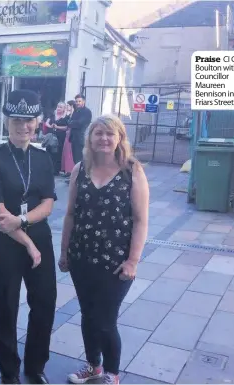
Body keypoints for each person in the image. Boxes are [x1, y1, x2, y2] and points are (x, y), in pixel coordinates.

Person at [59, 114, 150, 385]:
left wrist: (133, 261)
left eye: (110, 133)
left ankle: (112, 372)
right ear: (90, 138)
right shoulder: (79, 169)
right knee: (88, 315)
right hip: (82, 257)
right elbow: (70, 215)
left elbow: (141, 220)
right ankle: (93, 366)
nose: (104, 138)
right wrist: (64, 253)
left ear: (120, 138)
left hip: (116, 261)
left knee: (106, 319)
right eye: (98, 133)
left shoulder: (132, 171)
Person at [0, 89, 57, 385]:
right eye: (16, 120)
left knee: (45, 302)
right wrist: (27, 243)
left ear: (36, 122)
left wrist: (23, 221)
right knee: (7, 305)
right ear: (6, 122)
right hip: (7, 242)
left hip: (38, 234)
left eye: (28, 120)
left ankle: (36, 366)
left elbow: (48, 203)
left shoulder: (42, 158)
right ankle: (8, 371)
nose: (23, 126)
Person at [45, 102, 69, 174]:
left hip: (60, 137)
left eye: (61, 107)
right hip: (50, 137)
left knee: (58, 153)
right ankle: (48, 168)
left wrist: (57, 127)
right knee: (49, 152)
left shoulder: (66, 117)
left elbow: (67, 127)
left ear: (64, 109)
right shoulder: (52, 115)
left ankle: (56, 170)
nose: (59, 108)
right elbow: (46, 122)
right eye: (58, 106)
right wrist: (51, 126)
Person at [68, 94, 92, 164]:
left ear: (83, 101)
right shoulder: (76, 111)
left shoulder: (87, 112)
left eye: (79, 101)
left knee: (80, 160)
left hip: (81, 139)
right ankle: (77, 174)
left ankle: (81, 174)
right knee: (75, 159)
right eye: (76, 101)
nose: (77, 103)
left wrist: (72, 123)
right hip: (74, 138)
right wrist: (72, 123)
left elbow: (79, 124)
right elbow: (69, 122)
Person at [61, 100, 76, 176]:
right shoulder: (69, 114)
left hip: (71, 133)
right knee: (66, 151)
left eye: (68, 105)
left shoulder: (74, 114)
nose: (67, 107)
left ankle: (70, 170)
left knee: (70, 152)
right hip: (68, 133)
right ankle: (67, 170)